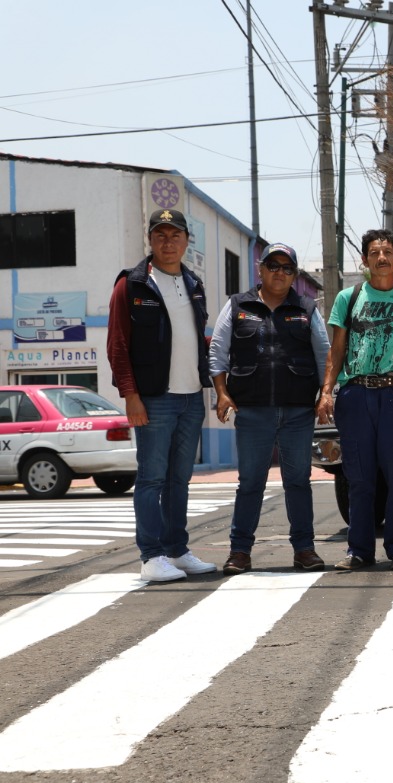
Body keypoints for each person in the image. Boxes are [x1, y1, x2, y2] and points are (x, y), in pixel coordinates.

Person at [106, 209, 218, 584]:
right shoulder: (132, 284)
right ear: (150, 240)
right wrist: (130, 395)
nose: (168, 242)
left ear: (186, 241)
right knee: (152, 479)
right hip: (155, 398)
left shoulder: (194, 283)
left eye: (175, 236)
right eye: (161, 235)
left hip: (190, 398)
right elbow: (118, 345)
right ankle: (151, 556)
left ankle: (177, 550)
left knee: (179, 480)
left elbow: (195, 339)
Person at [209, 242, 330, 574]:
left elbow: (324, 353)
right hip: (253, 410)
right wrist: (222, 393)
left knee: (298, 481)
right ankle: (239, 552)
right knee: (250, 482)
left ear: (294, 275)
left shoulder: (307, 307)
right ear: (260, 269)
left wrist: (325, 395)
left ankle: (304, 549)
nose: (280, 273)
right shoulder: (237, 305)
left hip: (298, 412)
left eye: (287, 268)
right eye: (273, 266)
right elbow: (218, 350)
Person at [315, 229, 393, 570]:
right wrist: (326, 391)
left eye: (387, 252)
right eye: (374, 253)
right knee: (358, 477)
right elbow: (337, 349)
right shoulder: (349, 297)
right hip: (355, 393)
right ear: (364, 260)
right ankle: (359, 551)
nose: (381, 258)